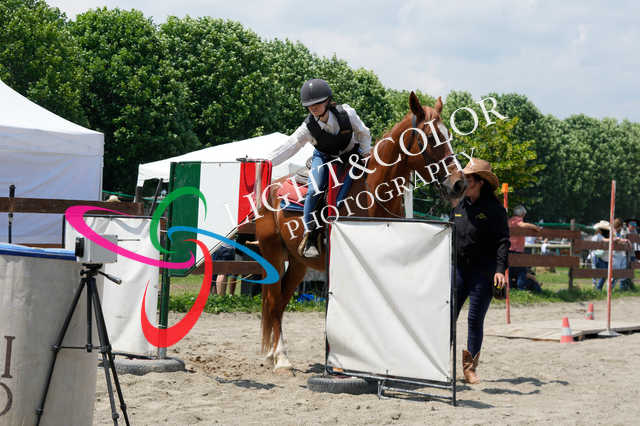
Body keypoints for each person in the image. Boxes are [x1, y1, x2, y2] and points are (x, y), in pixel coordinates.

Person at [268, 79, 372, 258]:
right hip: (323, 157)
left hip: (351, 156)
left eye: (317, 103)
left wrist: (364, 154)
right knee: (314, 189)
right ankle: (310, 236)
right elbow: (290, 146)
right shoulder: (307, 128)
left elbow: (363, 133)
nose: (313, 108)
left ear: (327, 101)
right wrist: (266, 162)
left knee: (346, 192)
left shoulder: (347, 113)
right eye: (309, 105)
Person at [450, 158, 509, 384]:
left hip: (483, 273)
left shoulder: (495, 210)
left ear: (481, 182)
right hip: (459, 269)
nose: (464, 182)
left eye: (469, 179)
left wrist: (500, 270)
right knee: (448, 316)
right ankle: (437, 362)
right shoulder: (459, 206)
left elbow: (503, 241)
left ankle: (469, 368)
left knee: (474, 319)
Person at [508, 205, 541, 291]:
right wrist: (536, 227)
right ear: (522, 214)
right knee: (521, 271)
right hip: (517, 250)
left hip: (509, 250)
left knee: (510, 271)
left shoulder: (510, 221)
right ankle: (521, 289)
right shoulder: (517, 220)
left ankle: (510, 288)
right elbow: (522, 225)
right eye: (524, 214)